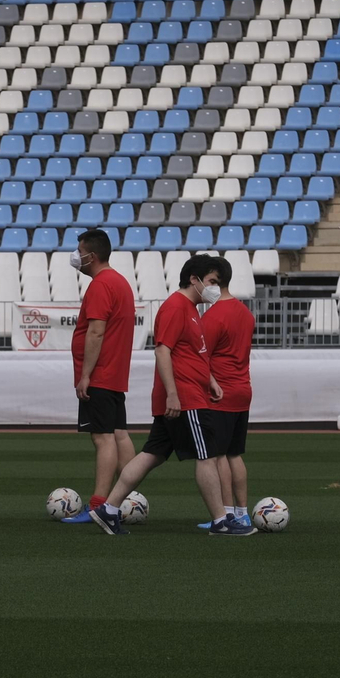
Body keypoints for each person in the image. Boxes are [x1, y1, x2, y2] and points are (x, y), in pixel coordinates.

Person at [90, 254, 254, 536]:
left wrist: (210, 380)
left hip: (189, 393)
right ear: (195, 279)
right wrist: (173, 395)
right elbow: (162, 350)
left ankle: (109, 508)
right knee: (207, 455)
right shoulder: (176, 307)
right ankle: (220, 520)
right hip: (186, 398)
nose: (215, 288)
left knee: (152, 454)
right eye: (212, 281)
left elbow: (189, 353)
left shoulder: (189, 308)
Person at [61, 228, 137, 525]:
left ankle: (99, 505)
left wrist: (85, 375)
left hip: (101, 375)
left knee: (102, 438)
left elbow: (96, 331)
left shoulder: (101, 285)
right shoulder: (120, 283)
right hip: (115, 374)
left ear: (91, 255)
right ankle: (126, 498)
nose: (76, 256)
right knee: (118, 434)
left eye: (79, 251)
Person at [200, 255, 255, 530]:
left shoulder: (212, 317)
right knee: (235, 454)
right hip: (243, 389)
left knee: (217, 456)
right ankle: (242, 511)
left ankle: (226, 514)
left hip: (219, 392)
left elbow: (201, 357)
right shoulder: (245, 313)